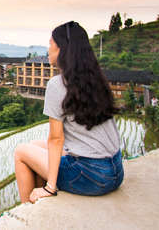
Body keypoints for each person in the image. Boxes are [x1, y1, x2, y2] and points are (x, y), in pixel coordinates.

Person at [14, 21, 124, 203]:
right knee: (35, 144)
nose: (48, 49)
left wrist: (51, 187)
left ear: (62, 49)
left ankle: (26, 211)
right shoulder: (96, 78)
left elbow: (56, 139)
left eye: (51, 44)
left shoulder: (57, 84)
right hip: (115, 171)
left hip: (92, 176)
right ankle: (41, 203)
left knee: (21, 152)